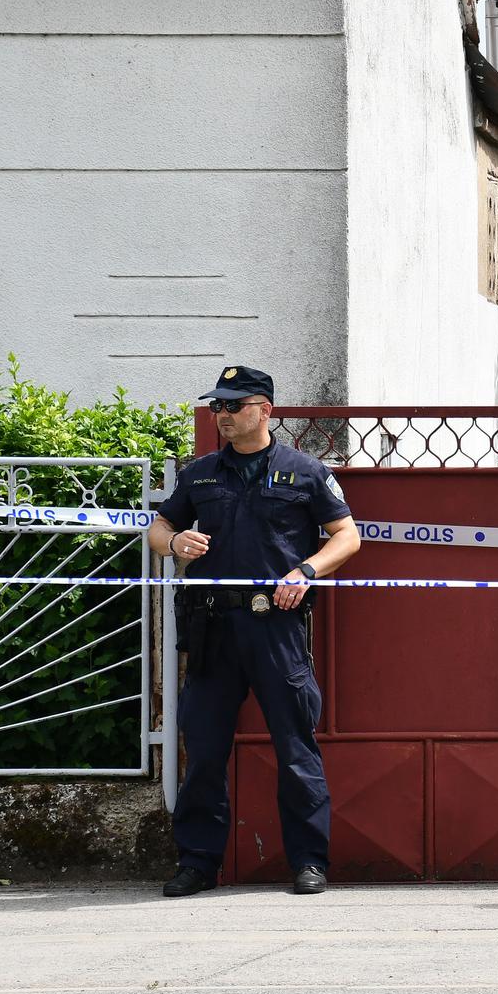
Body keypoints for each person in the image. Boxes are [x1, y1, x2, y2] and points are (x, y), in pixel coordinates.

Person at [146, 365, 361, 897]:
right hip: (214, 627)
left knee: (296, 747)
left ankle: (309, 861)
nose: (221, 414)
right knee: (204, 748)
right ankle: (198, 862)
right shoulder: (198, 475)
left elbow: (347, 536)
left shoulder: (305, 471)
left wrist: (307, 571)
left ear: (264, 409)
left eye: (233, 405)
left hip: (275, 627)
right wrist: (174, 546)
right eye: (217, 406)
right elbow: (158, 526)